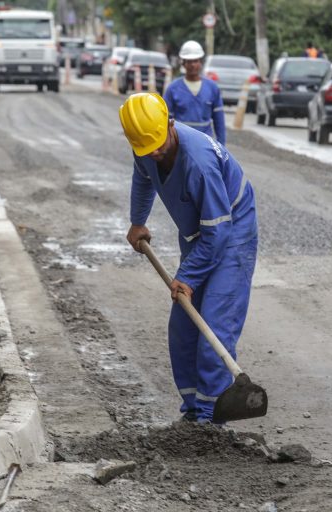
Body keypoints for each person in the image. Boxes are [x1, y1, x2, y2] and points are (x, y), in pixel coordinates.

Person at [119, 92, 258, 424]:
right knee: (183, 325)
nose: (154, 152)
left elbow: (219, 233)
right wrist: (138, 221)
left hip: (231, 230)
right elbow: (143, 176)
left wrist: (189, 276)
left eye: (158, 144)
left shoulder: (199, 162)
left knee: (214, 322)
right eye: (146, 148)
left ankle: (211, 420)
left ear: (170, 122)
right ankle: (194, 409)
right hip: (199, 232)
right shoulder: (146, 141)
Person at [163, 40, 226, 145]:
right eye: (189, 61)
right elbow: (166, 121)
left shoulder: (212, 88)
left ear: (200, 62)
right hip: (180, 144)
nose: (192, 65)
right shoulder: (173, 89)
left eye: (195, 61)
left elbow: (219, 121)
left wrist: (222, 147)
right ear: (183, 63)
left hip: (205, 144)